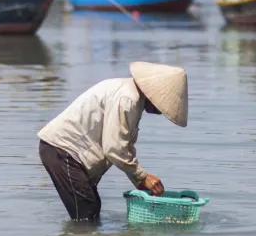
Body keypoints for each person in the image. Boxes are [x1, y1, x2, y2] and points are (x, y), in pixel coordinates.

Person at [37, 61, 189, 221]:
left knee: (90, 211)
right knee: (87, 211)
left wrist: (139, 181)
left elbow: (124, 147)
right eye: (162, 106)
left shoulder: (132, 98)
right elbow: (114, 148)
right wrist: (143, 176)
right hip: (63, 151)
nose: (160, 112)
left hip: (69, 154)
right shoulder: (127, 99)